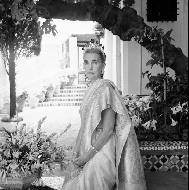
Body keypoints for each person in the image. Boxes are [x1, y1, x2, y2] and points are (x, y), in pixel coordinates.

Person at [62, 42, 147, 190]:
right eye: (86, 62)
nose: (90, 67)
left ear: (103, 66)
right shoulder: (91, 89)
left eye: (95, 62)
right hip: (88, 146)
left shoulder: (106, 88)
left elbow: (108, 129)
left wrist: (86, 157)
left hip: (101, 151)